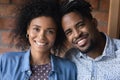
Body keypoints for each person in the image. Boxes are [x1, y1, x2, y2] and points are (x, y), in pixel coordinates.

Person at [0, 0, 77, 80]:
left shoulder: (69, 69)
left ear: (56, 35)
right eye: (36, 29)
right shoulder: (6, 61)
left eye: (50, 31)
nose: (41, 37)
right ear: (28, 30)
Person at [60, 0, 120, 80]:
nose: (77, 34)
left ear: (94, 23)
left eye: (80, 25)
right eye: (69, 32)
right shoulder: (70, 57)